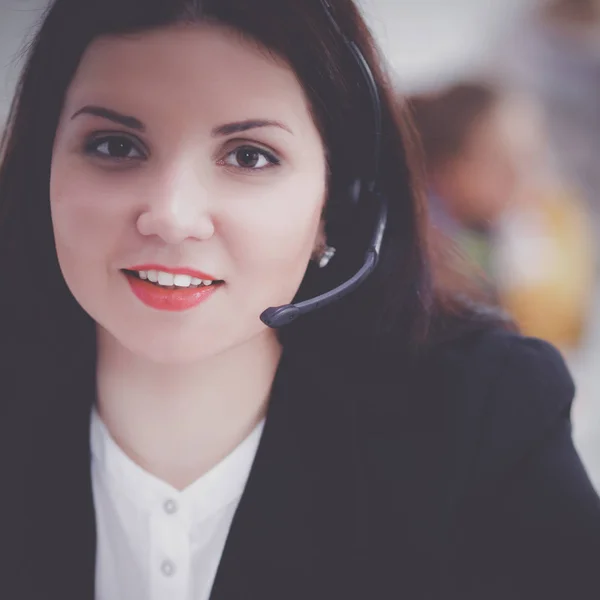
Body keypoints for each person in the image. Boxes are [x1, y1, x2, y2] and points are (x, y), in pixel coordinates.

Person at [0, 1, 598, 599]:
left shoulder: (483, 419)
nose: (173, 217)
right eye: (114, 146)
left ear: (336, 204)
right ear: (41, 174)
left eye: (249, 156)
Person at [409, 82, 520, 301]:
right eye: (497, 159)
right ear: (446, 171)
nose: (515, 174)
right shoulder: (422, 250)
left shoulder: (487, 231)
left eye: (523, 156)